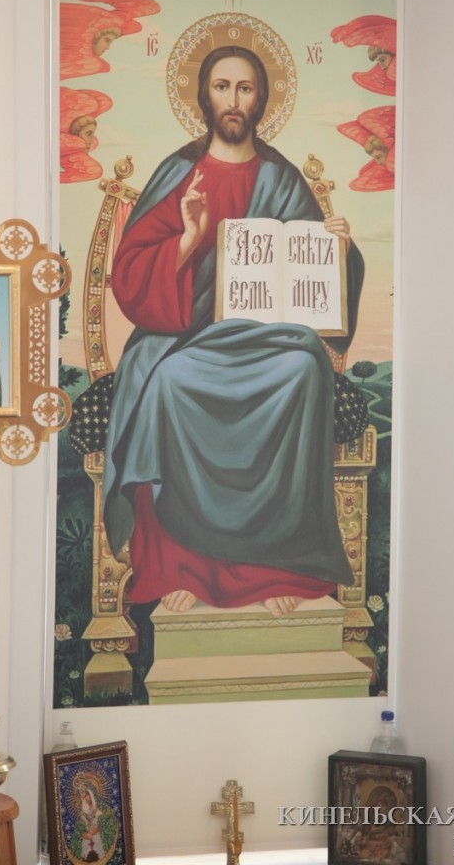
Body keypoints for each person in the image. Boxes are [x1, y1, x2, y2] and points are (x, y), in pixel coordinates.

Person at [102, 45, 365, 616]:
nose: (233, 100)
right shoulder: (179, 173)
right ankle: (185, 565)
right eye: (222, 87)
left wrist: (337, 250)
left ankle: (277, 567)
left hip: (270, 340)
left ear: (261, 99)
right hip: (186, 336)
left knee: (303, 370)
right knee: (168, 381)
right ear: (204, 95)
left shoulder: (281, 178)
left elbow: (318, 288)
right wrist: (187, 240)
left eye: (245, 88)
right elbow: (129, 273)